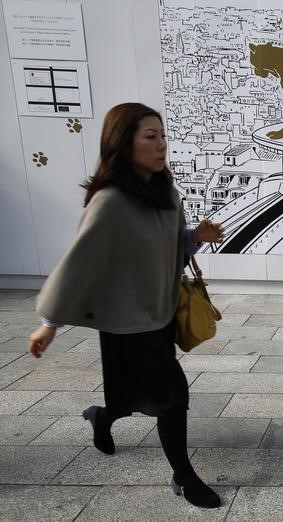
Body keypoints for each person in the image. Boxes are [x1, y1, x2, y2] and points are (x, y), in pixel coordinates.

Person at [27, 103, 226, 507]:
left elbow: (169, 248)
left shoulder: (165, 193)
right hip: (125, 321)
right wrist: (49, 321)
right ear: (123, 142)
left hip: (158, 313)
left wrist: (196, 236)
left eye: (163, 135)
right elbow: (79, 263)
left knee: (132, 395)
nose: (161, 144)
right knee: (172, 395)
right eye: (150, 136)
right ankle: (185, 478)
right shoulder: (110, 201)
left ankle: (102, 417)